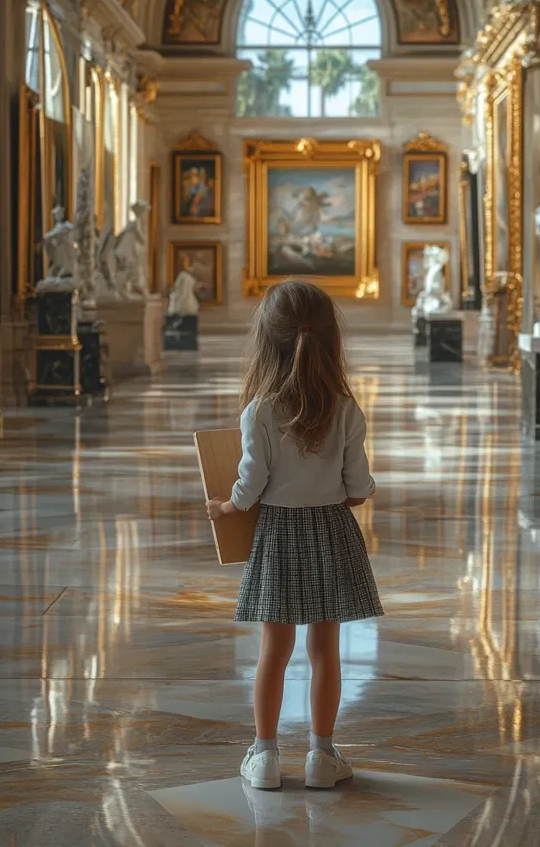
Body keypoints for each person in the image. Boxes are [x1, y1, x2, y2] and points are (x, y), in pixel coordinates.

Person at [206, 279, 382, 791]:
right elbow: (358, 486)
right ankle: (322, 757)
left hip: (277, 535)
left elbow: (250, 484)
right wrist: (351, 491)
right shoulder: (346, 408)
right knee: (325, 649)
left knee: (272, 652)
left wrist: (225, 507)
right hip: (331, 531)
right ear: (331, 340)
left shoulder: (259, 410)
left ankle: (263, 756)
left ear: (267, 340)